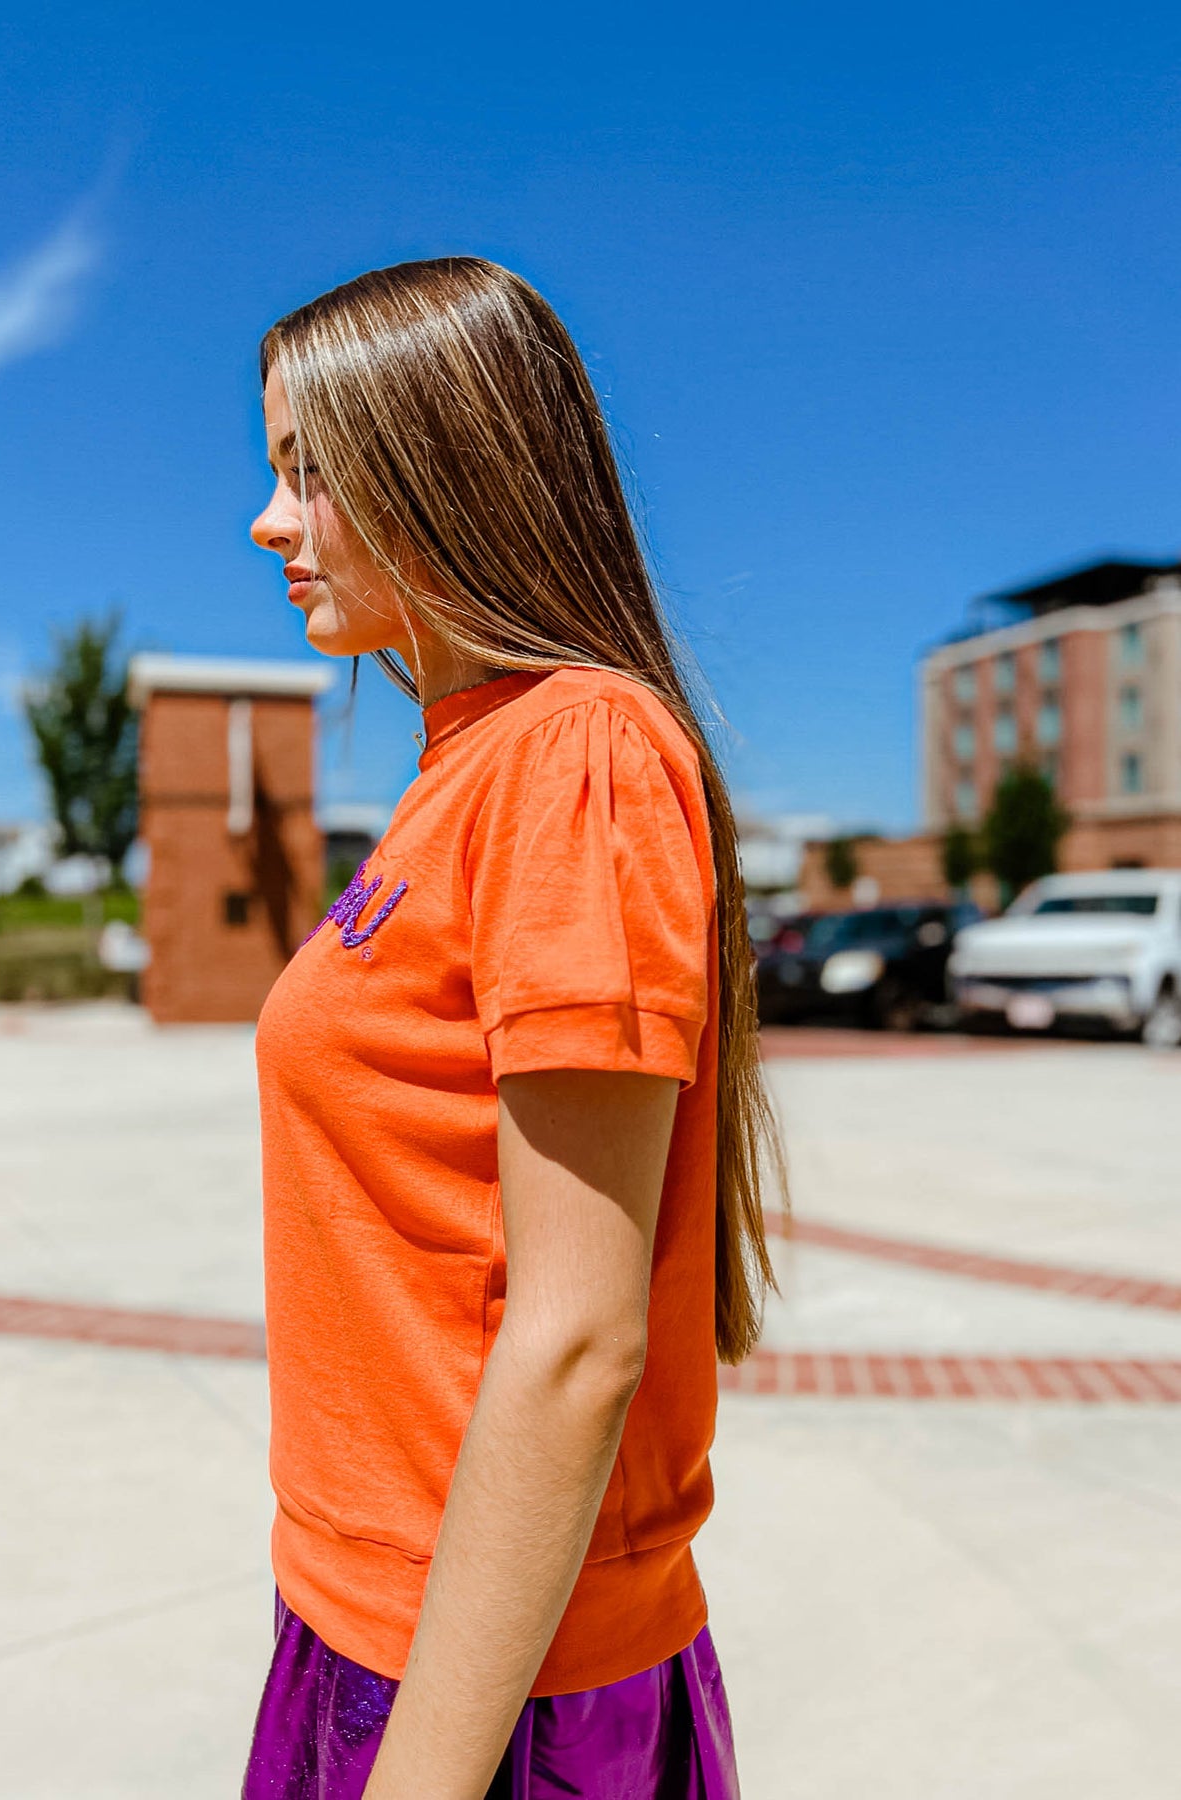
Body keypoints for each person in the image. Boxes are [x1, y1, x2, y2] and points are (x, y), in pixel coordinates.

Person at [243, 258, 782, 1799]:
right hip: (377, 1618)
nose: (268, 522)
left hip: (498, 1685)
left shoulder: (573, 751)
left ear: (443, 464)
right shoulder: (459, 766)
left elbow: (575, 1338)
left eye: (306, 470)